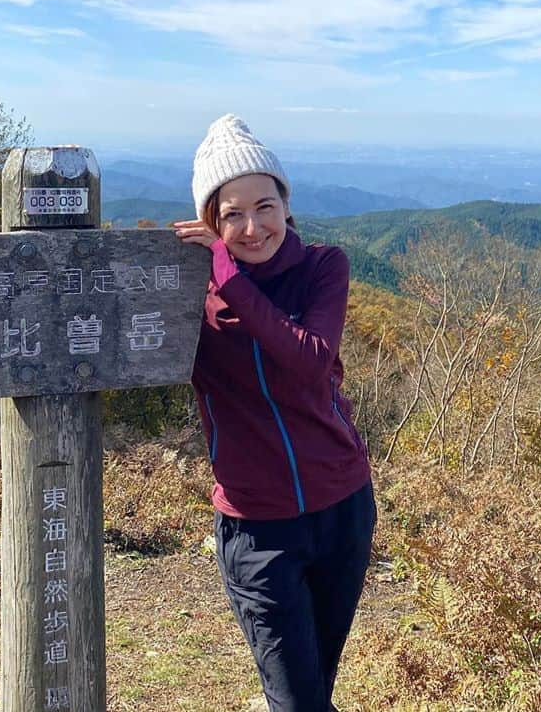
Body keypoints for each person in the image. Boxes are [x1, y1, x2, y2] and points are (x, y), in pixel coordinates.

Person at [174, 114, 375, 712]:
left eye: (265, 205)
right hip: (258, 525)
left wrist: (229, 276)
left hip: (342, 506)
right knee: (297, 702)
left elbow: (308, 360)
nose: (252, 225)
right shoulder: (190, 291)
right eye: (230, 214)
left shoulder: (323, 267)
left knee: (315, 693)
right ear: (211, 222)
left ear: (286, 204)